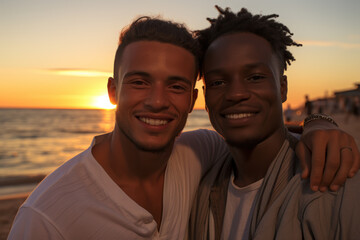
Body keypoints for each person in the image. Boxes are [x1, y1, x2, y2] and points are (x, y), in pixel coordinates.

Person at [8, 15, 359, 240]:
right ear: (113, 92)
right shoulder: (46, 217)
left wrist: (317, 124)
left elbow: (269, 137)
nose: (158, 101)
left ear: (192, 100)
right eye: (140, 82)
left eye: (175, 86)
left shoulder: (200, 154)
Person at [189, 6, 360, 240]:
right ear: (205, 96)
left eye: (256, 77)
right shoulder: (199, 181)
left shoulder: (334, 179)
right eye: (218, 82)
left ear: (283, 87)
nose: (236, 93)